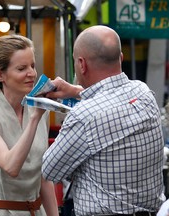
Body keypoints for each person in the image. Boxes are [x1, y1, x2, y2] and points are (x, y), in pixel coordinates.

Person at [42, 25, 165, 216]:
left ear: (82, 64)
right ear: (121, 58)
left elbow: (49, 171)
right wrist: (75, 91)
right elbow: (112, 100)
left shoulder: (84, 116)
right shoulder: (143, 93)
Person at [0, 34, 59, 216]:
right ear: (0, 74)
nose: (32, 73)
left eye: (32, 66)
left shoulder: (40, 112)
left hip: (35, 211)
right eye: (21, 68)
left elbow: (42, 178)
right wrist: (34, 119)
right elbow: (11, 167)